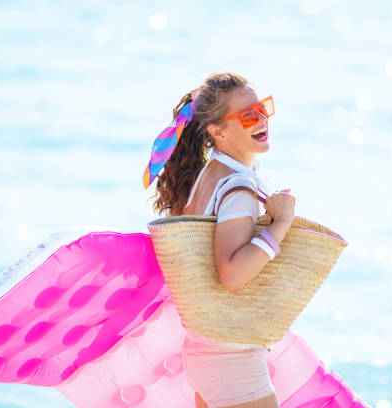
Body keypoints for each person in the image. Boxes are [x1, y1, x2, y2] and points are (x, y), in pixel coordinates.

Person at [149, 72, 296, 408]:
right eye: (247, 115)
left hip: (206, 352)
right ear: (217, 130)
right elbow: (231, 275)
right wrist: (282, 223)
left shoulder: (208, 174)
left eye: (262, 109)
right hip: (232, 362)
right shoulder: (237, 187)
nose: (261, 120)